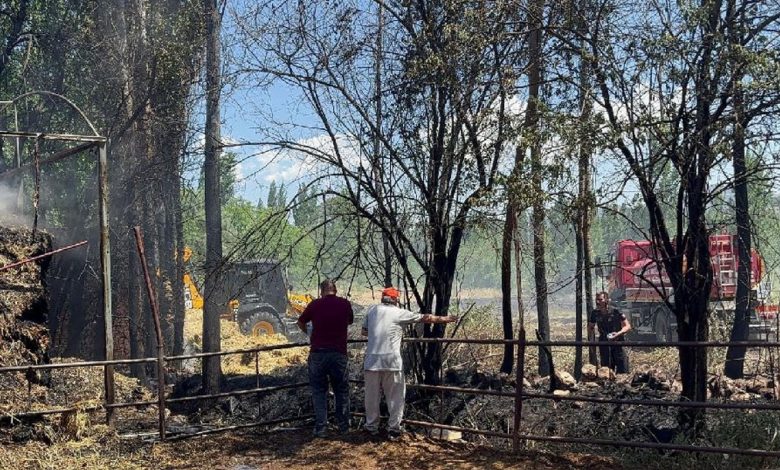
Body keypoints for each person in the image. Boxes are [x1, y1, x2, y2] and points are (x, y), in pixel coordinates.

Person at [361, 286, 457, 439]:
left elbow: (364, 332)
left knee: (371, 397)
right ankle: (393, 428)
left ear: (382, 298)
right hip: (391, 361)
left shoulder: (372, 311)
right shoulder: (399, 313)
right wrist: (444, 319)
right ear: (395, 300)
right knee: (395, 396)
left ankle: (371, 426)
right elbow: (425, 318)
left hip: (372, 360)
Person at [297, 279, 354, 438]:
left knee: (319, 391)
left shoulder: (315, 305)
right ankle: (343, 427)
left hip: (318, 353)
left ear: (321, 290)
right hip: (338, 353)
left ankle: (321, 428)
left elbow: (300, 321)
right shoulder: (345, 304)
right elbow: (349, 321)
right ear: (334, 290)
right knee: (341, 391)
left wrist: (310, 335)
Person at [588, 291, 631, 373]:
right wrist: (592, 342)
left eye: (600, 299)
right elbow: (590, 328)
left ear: (606, 300)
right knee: (605, 370)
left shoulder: (615, 311)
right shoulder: (595, 313)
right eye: (597, 300)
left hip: (618, 343)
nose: (598, 302)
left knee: (622, 370)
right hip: (604, 343)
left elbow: (628, 326)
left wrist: (618, 334)